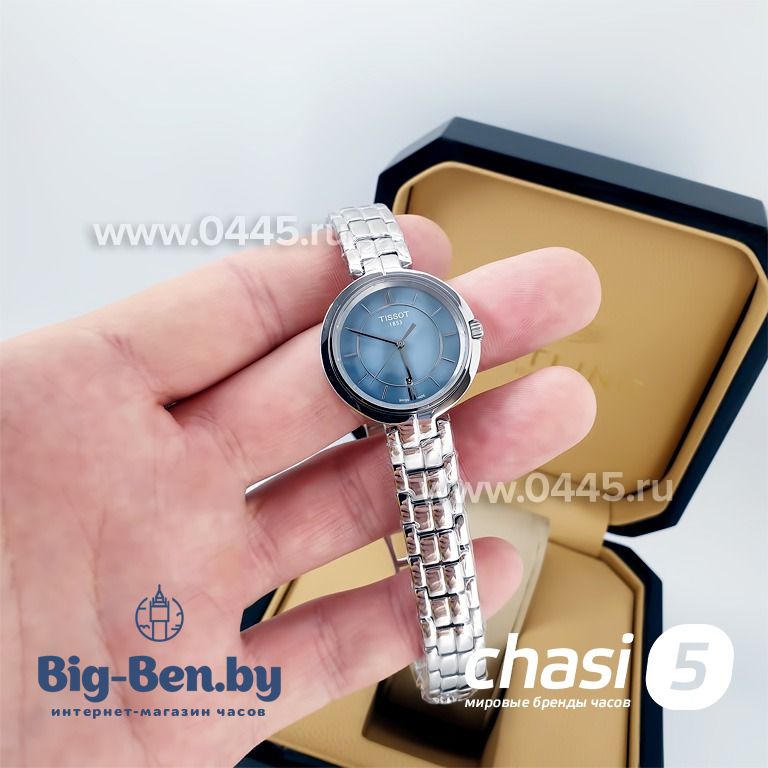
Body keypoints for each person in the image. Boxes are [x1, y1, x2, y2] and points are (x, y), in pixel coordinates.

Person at [0, 216, 600, 766]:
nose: (398, 343)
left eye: (409, 338)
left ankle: (448, 658)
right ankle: (450, 659)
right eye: (385, 343)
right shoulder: (383, 347)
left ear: (465, 332)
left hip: (422, 422)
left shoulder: (423, 339)